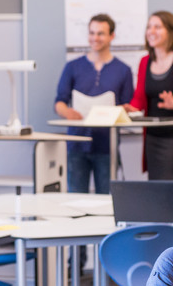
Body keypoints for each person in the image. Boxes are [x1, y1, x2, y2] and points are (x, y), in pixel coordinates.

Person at [54, 13, 134, 195]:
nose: (95, 38)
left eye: (100, 33)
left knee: (107, 202)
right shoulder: (72, 67)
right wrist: (67, 112)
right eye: (92, 33)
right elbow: (59, 102)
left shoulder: (123, 70)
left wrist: (122, 111)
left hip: (107, 146)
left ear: (112, 36)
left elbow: (128, 106)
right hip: (76, 145)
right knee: (75, 200)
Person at [125, 10, 173, 189]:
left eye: (157, 27)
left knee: (169, 196)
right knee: (155, 194)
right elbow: (139, 98)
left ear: (171, 31)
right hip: (152, 139)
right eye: (148, 27)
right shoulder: (145, 62)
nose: (151, 31)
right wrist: (130, 108)